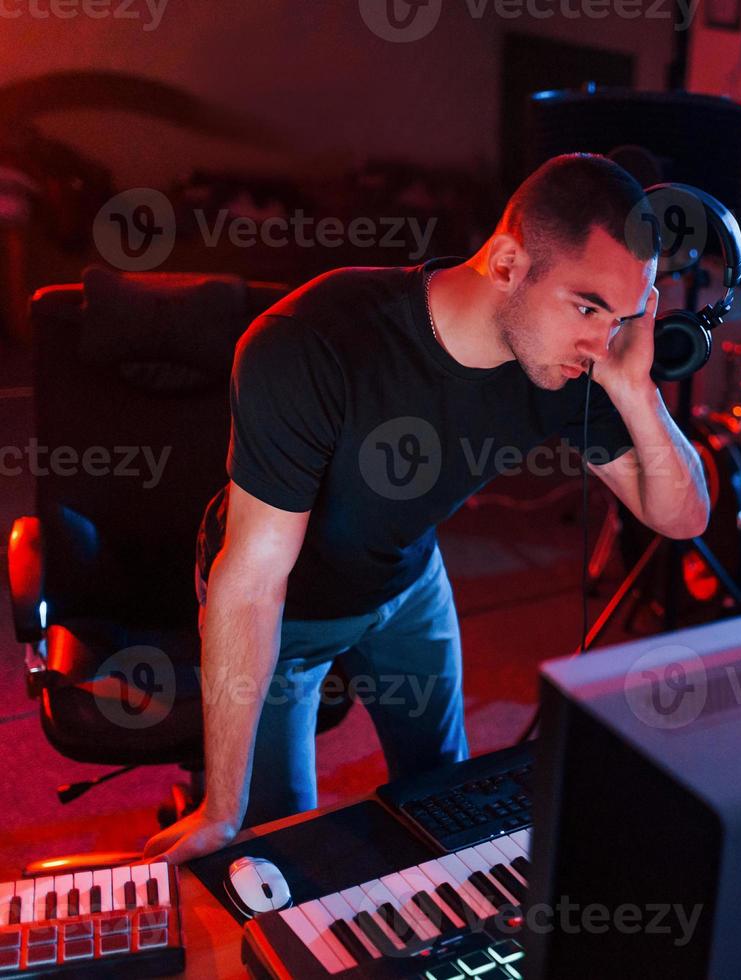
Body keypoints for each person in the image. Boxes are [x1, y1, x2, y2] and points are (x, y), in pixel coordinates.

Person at [143, 154, 710, 863]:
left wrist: (636, 390)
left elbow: (684, 518)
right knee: (277, 845)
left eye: (623, 317)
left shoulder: (576, 364)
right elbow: (255, 580)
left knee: (448, 802)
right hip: (286, 603)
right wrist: (220, 813)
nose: (602, 341)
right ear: (506, 264)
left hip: (407, 585)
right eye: (587, 306)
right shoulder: (312, 343)